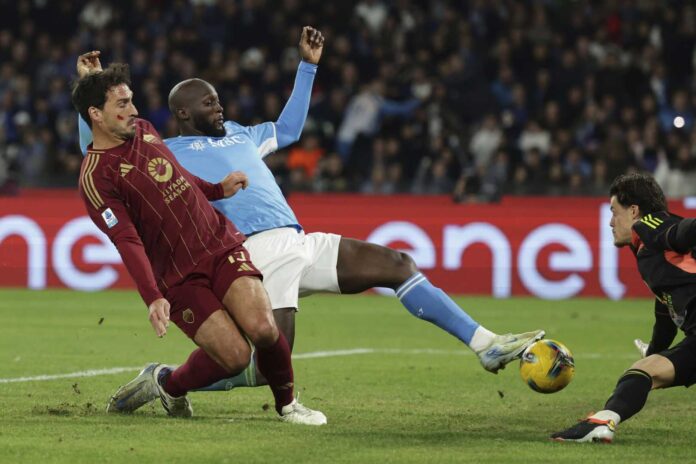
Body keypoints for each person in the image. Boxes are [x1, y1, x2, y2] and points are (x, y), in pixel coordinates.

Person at [76, 27, 544, 411]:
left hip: (299, 241)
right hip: (253, 250)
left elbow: (290, 128)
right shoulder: (165, 150)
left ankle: (485, 344)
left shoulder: (242, 133)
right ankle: (168, 381)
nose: (219, 107)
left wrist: (308, 67)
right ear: (183, 113)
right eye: (209, 102)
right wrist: (92, 92)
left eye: (218, 99)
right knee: (262, 366)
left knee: (397, 264)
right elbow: (98, 151)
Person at [71, 60, 326, 425]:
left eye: (131, 100)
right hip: (177, 276)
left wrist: (215, 189)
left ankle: (287, 406)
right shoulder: (96, 177)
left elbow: (177, 174)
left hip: (219, 245)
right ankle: (168, 384)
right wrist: (152, 296)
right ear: (95, 114)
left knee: (264, 328)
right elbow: (126, 239)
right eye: (122, 105)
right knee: (235, 357)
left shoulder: (143, 130)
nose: (134, 111)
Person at [552, 172, 696, 443]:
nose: (610, 221)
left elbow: (683, 231)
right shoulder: (651, 250)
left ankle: (602, 421)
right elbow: (664, 311)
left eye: (614, 212)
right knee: (644, 370)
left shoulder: (651, 227)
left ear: (633, 211)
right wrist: (654, 351)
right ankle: (604, 419)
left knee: (641, 373)